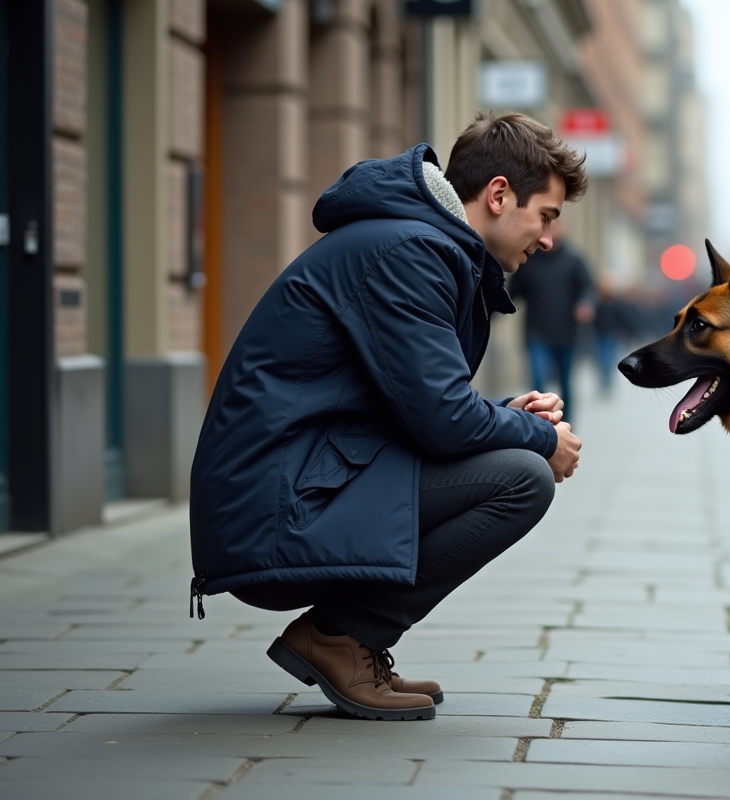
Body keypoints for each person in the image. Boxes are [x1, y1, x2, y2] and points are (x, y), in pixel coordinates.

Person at [189, 112, 587, 721]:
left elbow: (416, 405)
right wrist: (537, 436)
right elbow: (441, 419)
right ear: (500, 194)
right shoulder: (411, 251)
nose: (549, 239)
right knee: (522, 479)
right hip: (275, 509)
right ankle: (341, 638)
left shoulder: (419, 244)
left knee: (511, 461)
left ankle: (351, 638)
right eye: (547, 216)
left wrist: (503, 416)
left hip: (302, 482)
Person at [507, 219, 594, 421]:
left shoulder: (573, 260)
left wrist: (586, 303)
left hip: (566, 333)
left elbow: (588, 288)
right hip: (536, 332)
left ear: (564, 228)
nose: (552, 230)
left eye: (556, 225)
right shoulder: (528, 260)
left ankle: (567, 425)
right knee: (538, 380)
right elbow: (511, 292)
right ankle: (538, 423)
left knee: (565, 383)